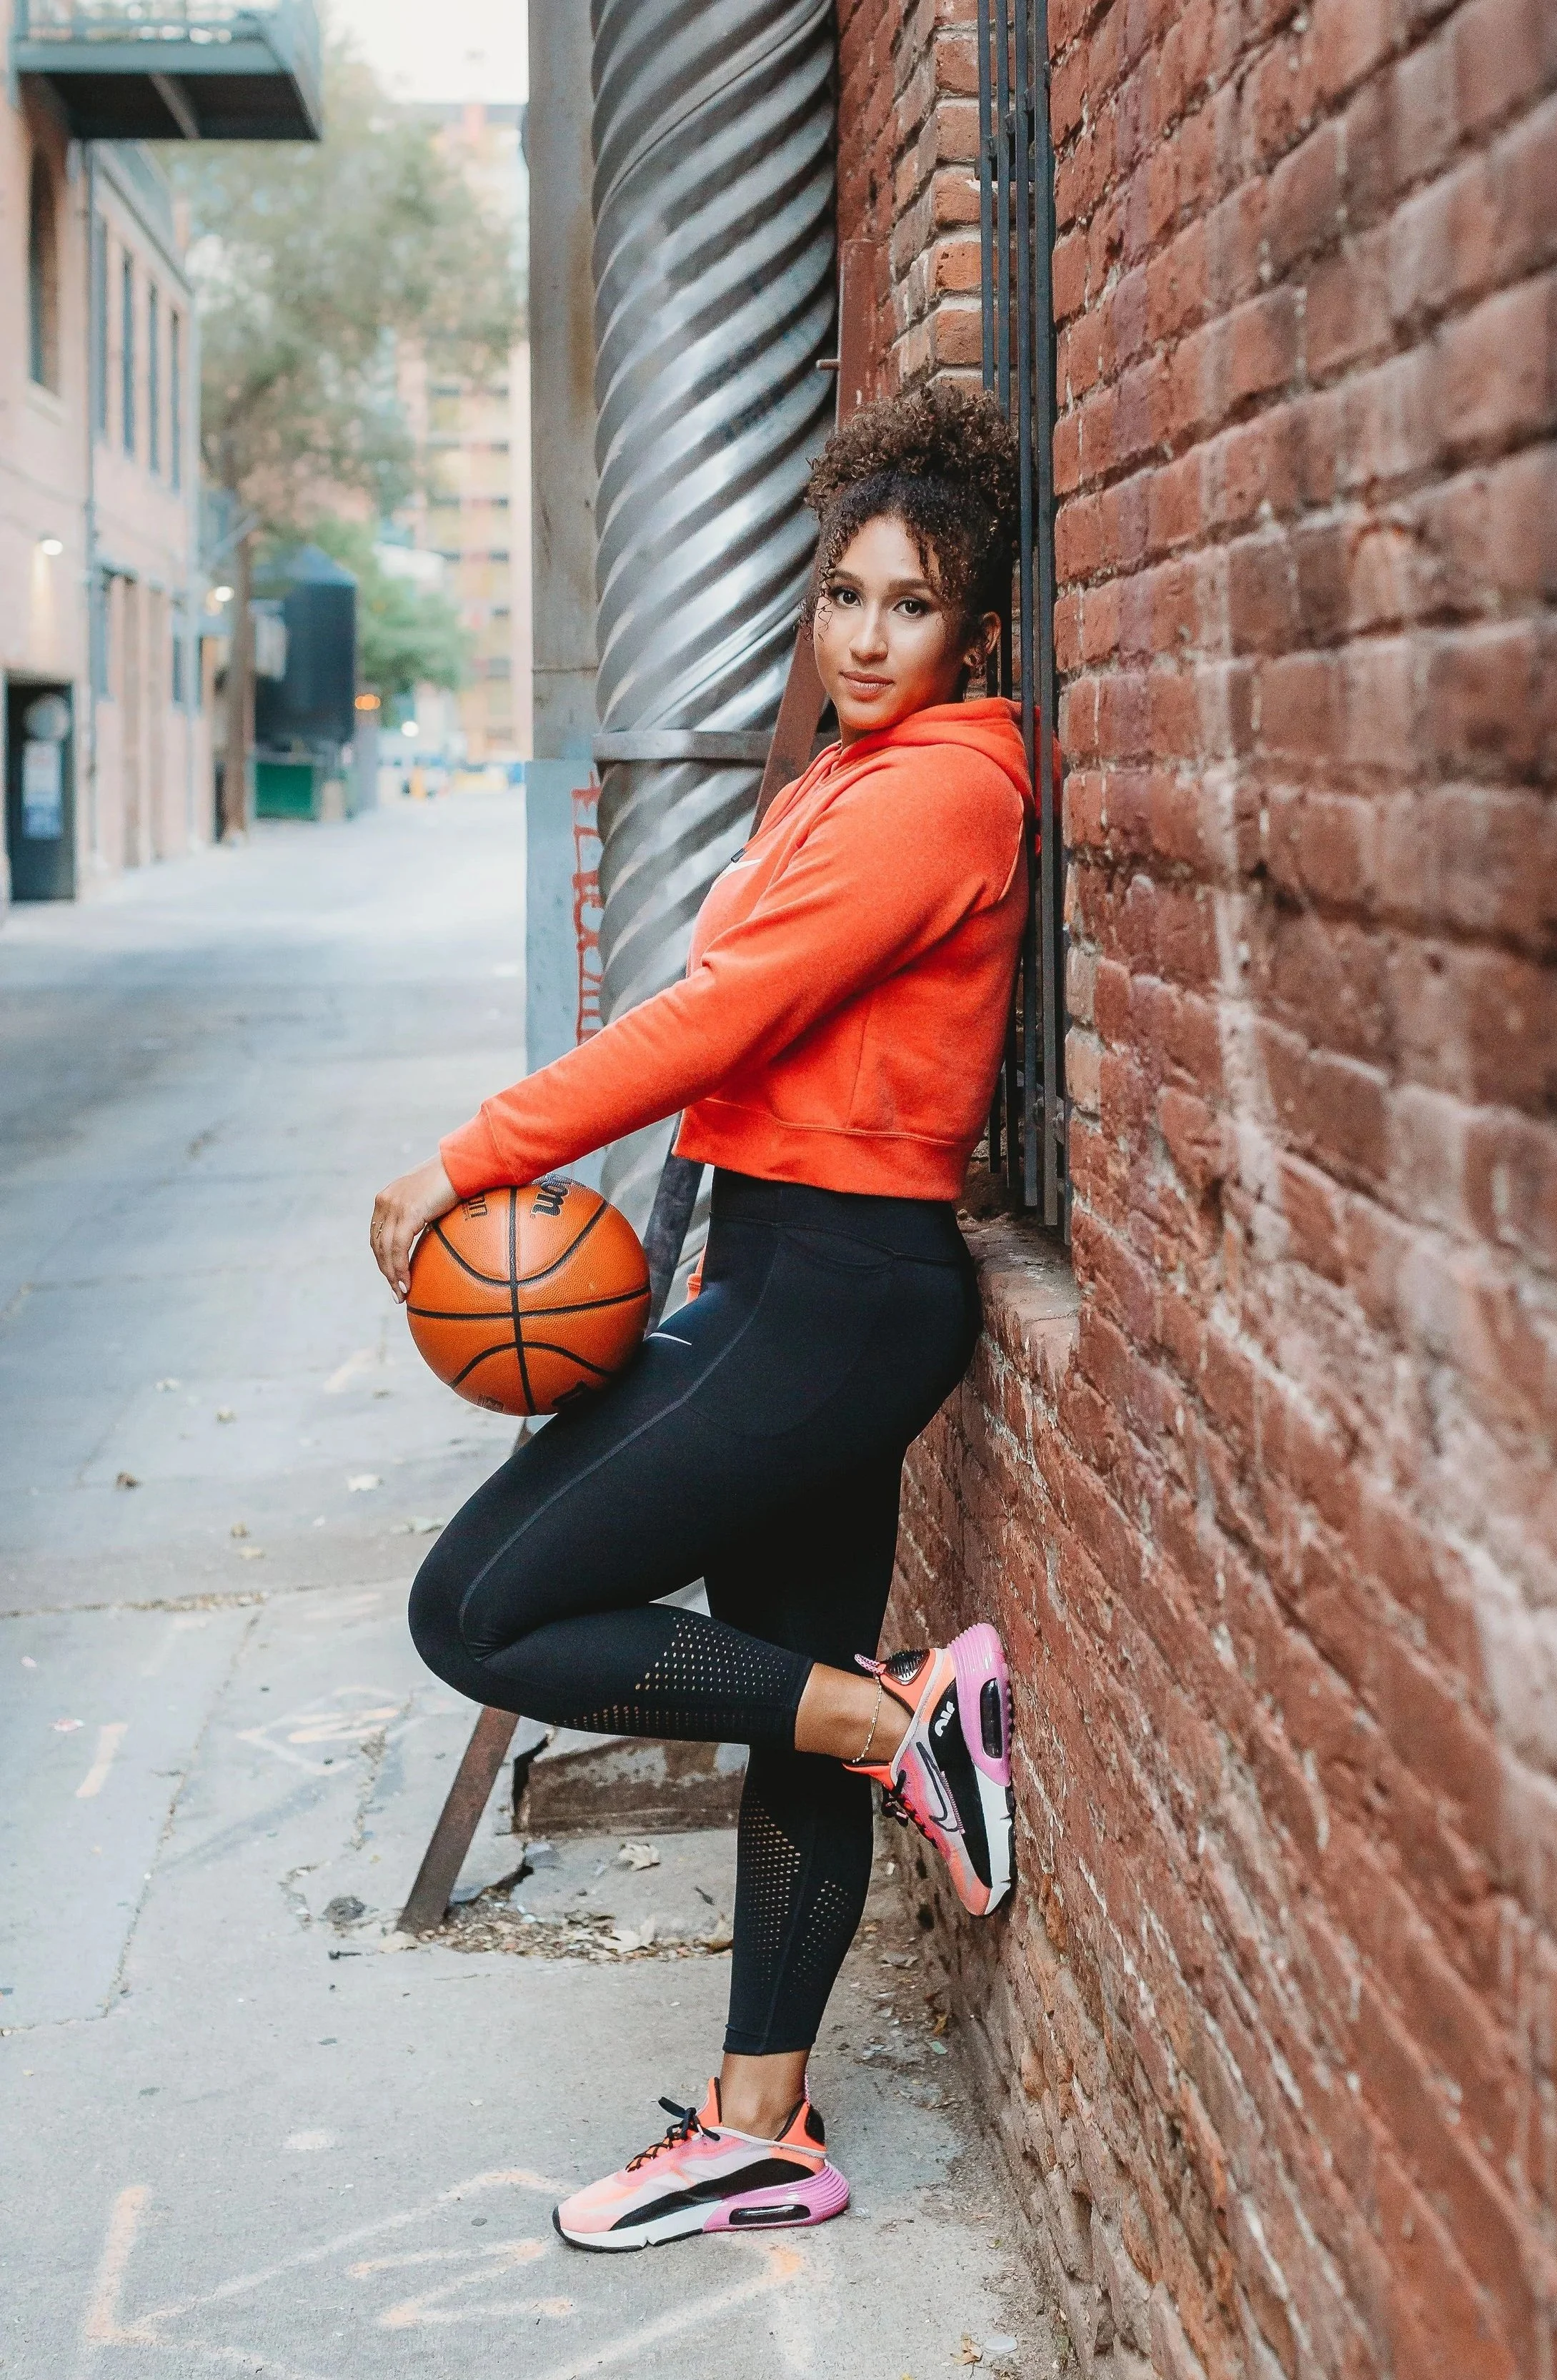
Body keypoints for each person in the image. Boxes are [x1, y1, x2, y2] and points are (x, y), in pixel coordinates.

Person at [371, 383, 1032, 2251]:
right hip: (795, 1276)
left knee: (477, 1610)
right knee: (776, 1702)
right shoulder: (848, 777)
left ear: (974, 628)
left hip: (833, 1293)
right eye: (844, 596)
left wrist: (474, 1156)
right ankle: (763, 2132)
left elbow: (721, 1019)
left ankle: (894, 1723)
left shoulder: (946, 790)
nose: (867, 638)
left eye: (912, 605)